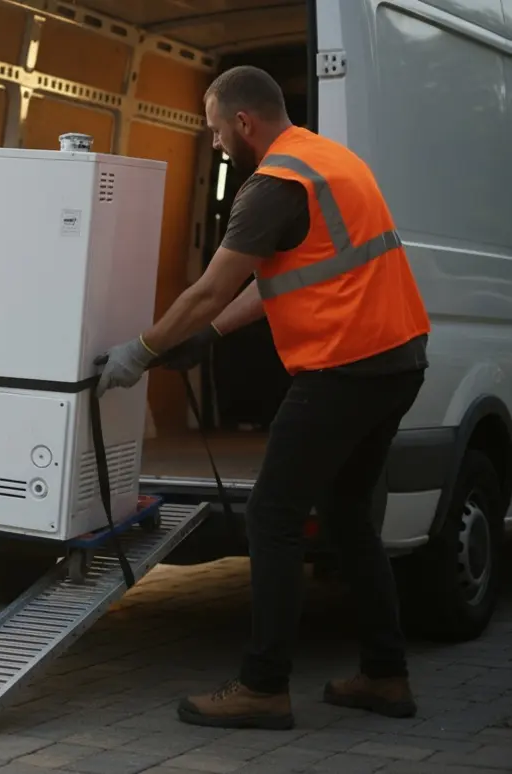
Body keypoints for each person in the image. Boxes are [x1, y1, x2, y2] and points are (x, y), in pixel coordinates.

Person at [95, 65, 431, 730]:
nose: (217, 143)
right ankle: (385, 675)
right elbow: (288, 277)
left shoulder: (274, 184)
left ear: (243, 122)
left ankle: (263, 686)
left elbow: (210, 288)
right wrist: (209, 337)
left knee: (272, 515)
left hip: (345, 369)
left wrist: (144, 350)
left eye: (217, 130)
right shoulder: (327, 159)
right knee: (346, 513)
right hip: (398, 360)